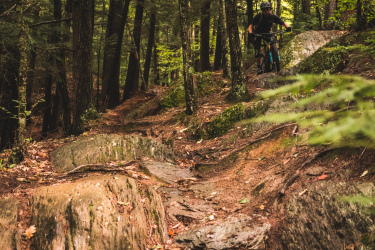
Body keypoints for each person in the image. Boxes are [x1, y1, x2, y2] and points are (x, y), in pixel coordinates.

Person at [248, 1, 291, 74]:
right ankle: (258, 67)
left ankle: (272, 54)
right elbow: (250, 26)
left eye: (267, 9)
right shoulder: (259, 16)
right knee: (257, 50)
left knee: (273, 42)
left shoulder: (272, 16)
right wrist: (251, 33)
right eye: (264, 10)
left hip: (268, 32)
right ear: (262, 10)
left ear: (270, 9)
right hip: (259, 33)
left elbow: (283, 22)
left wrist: (288, 27)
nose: (266, 11)